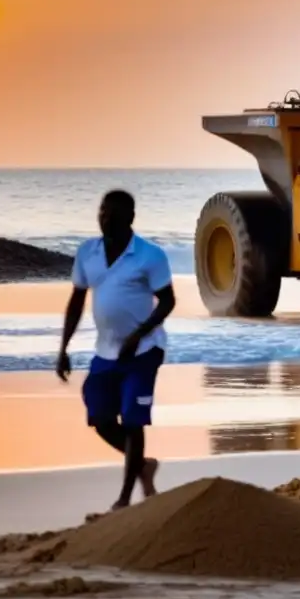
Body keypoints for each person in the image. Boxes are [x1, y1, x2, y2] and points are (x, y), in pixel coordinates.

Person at [56, 189, 176, 511]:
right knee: (100, 418)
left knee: (133, 420)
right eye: (102, 212)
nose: (105, 219)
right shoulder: (87, 253)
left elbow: (168, 301)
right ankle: (142, 465)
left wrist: (139, 334)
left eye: (113, 215)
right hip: (106, 352)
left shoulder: (150, 255)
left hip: (144, 352)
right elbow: (77, 299)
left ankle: (124, 499)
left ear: (130, 219)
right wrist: (63, 347)